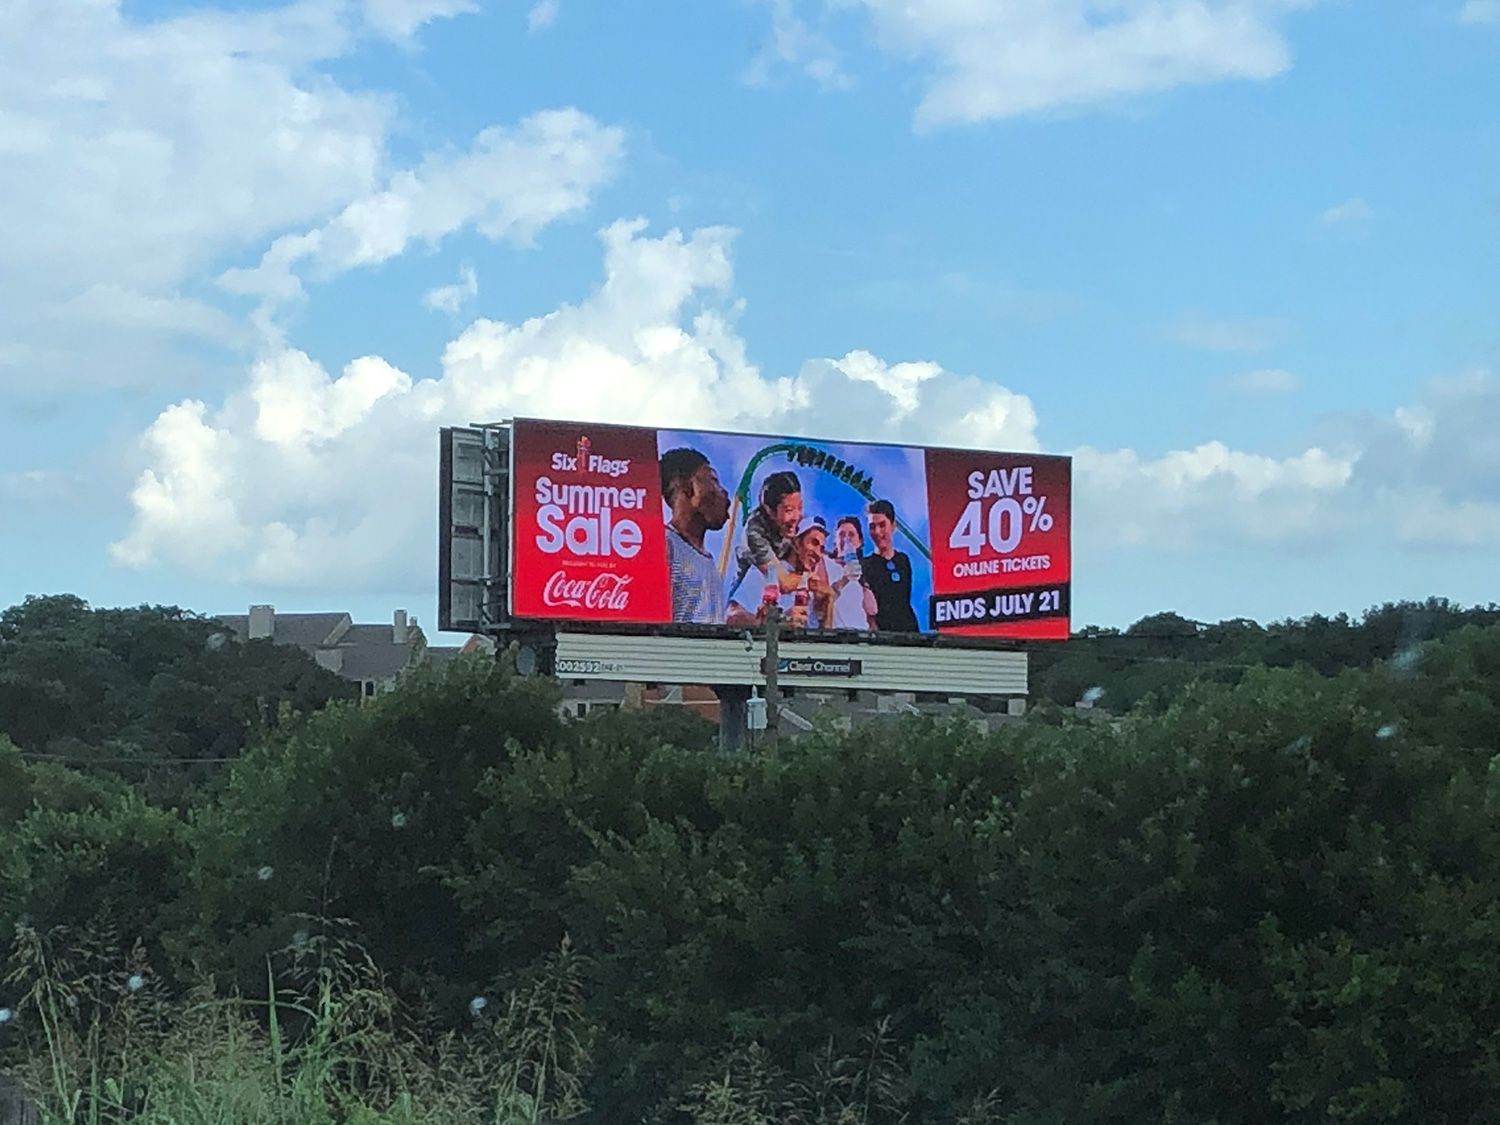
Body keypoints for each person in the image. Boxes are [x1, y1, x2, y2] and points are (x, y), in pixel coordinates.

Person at [660, 447, 760, 626]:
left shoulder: (708, 562)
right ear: (684, 486)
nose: (724, 493)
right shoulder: (663, 546)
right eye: (713, 480)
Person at [730, 470, 804, 600]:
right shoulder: (755, 531)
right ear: (770, 510)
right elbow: (784, 583)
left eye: (800, 508)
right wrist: (813, 579)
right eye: (789, 510)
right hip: (747, 601)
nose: (796, 516)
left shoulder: (792, 525)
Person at [860, 499, 919, 632]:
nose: (877, 532)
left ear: (893, 525)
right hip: (882, 638)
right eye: (872, 526)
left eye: (882, 525)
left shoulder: (903, 560)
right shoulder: (864, 565)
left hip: (909, 634)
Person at [828, 515, 878, 630]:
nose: (846, 539)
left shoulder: (866, 571)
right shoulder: (827, 565)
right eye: (841, 535)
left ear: (860, 541)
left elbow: (871, 614)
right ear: (835, 542)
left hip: (861, 636)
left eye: (851, 534)